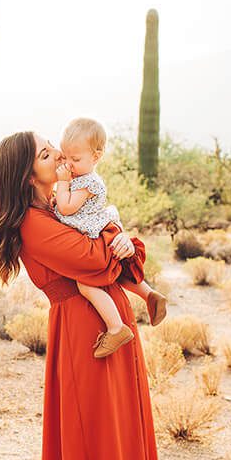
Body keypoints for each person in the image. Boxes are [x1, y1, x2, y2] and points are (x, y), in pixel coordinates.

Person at [0, 130, 162, 460]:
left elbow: (106, 252)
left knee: (102, 442)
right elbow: (94, 261)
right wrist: (118, 244)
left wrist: (122, 240)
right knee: (78, 447)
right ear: (26, 174)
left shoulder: (62, 208)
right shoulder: (32, 224)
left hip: (109, 333)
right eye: (47, 154)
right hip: (83, 342)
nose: (59, 156)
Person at [49, 118, 167, 358]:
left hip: (92, 233)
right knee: (114, 272)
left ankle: (115, 327)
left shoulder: (87, 181)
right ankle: (148, 294)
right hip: (99, 228)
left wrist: (62, 183)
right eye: (66, 158)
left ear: (97, 156)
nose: (69, 165)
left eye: (76, 159)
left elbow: (67, 207)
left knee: (86, 283)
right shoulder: (81, 177)